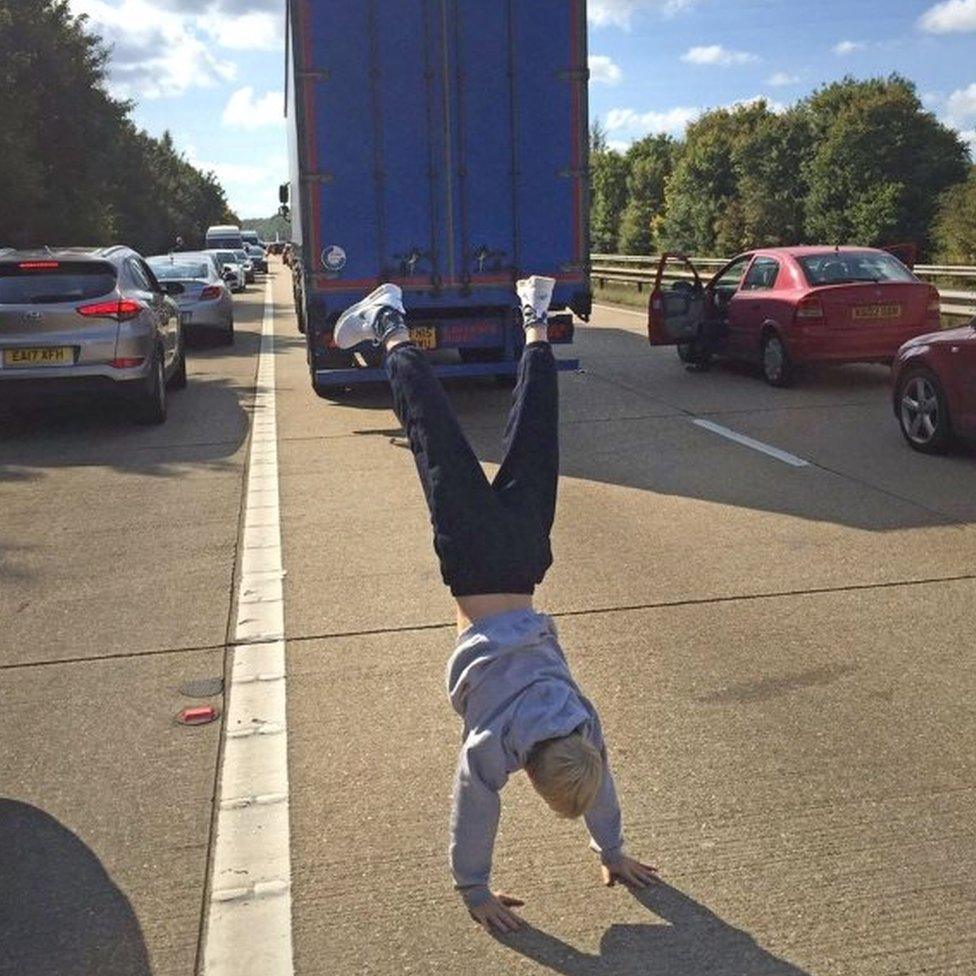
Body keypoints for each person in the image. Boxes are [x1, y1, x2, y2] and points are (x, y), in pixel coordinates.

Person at [334, 277, 658, 934]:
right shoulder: (495, 745)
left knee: (537, 436)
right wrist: (472, 888)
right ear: (530, 774)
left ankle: (535, 314)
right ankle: (388, 320)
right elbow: (473, 809)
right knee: (434, 435)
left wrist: (613, 847)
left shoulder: (580, 723)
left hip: (525, 557)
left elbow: (602, 780)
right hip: (475, 565)